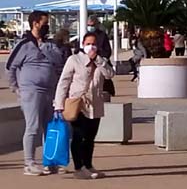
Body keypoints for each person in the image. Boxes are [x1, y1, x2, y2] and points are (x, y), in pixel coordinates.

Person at [6, 11, 64, 176]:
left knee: (50, 127)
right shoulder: (24, 45)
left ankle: (50, 162)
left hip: (50, 90)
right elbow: (10, 67)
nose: (47, 26)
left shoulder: (50, 45)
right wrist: (16, 88)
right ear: (36, 23)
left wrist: (46, 49)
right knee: (33, 127)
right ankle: (29, 163)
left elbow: (59, 62)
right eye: (45, 23)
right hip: (31, 91)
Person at [54, 32, 115, 180]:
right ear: (82, 44)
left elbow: (110, 74)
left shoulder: (101, 61)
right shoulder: (74, 60)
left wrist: (98, 60)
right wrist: (58, 104)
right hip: (78, 103)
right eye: (88, 44)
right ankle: (78, 167)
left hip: (95, 104)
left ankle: (88, 165)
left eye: (94, 44)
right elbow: (64, 82)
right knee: (79, 135)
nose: (91, 47)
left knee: (90, 137)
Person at [87, 15, 115, 96]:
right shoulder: (86, 35)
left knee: (105, 77)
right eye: (88, 25)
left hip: (100, 60)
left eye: (92, 25)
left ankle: (108, 92)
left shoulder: (102, 35)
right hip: (90, 61)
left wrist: (104, 59)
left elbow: (107, 49)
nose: (90, 27)